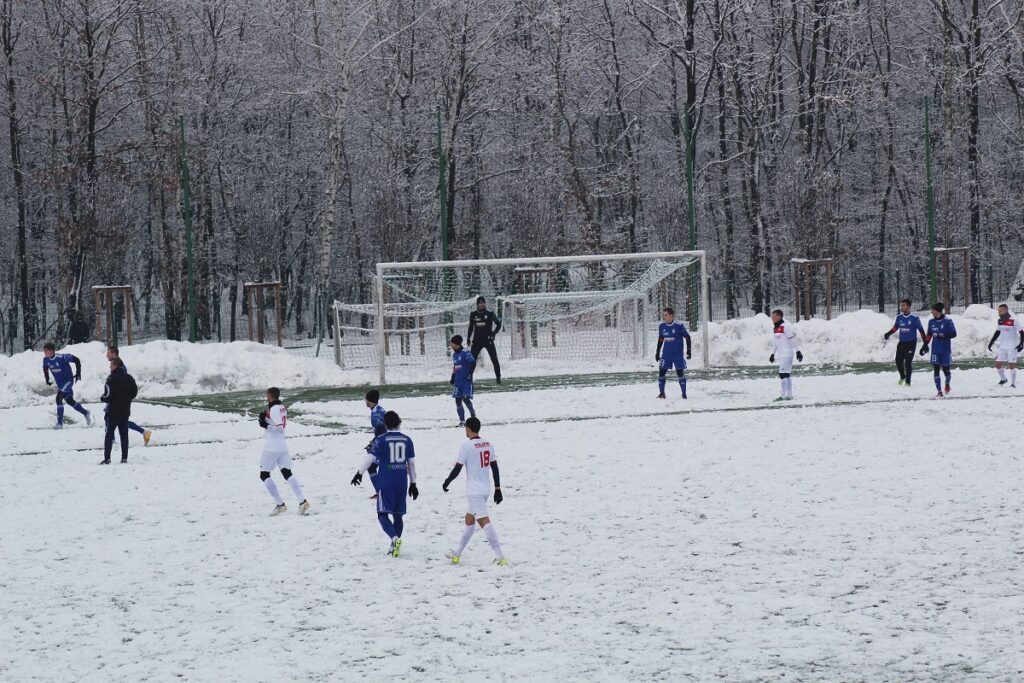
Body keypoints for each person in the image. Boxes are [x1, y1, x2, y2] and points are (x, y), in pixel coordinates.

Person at [351, 410, 419, 557]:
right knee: (398, 515)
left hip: (387, 482)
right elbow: (411, 464)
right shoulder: (407, 440)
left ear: (385, 424)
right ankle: (394, 545)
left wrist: (359, 473)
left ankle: (394, 539)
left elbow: (370, 458)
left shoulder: (381, 440)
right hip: (402, 482)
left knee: (382, 514)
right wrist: (413, 483)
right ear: (399, 422)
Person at [442, 417, 507, 566]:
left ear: (469, 429)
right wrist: (498, 488)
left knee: (484, 522)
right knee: (469, 519)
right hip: (485, 489)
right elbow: (495, 467)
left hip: (474, 492)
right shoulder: (488, 444)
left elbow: (458, 468)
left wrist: (447, 481)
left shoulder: (467, 445)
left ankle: (500, 556)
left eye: (466, 428)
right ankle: (457, 554)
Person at [258, 387, 310, 516]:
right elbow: (278, 420)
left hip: (272, 447)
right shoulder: (281, 407)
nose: (266, 397)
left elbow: (279, 428)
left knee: (264, 475)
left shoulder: (275, 409)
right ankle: (302, 501)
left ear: (270, 396)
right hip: (282, 446)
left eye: (267, 395)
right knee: (287, 473)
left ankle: (280, 504)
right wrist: (266, 418)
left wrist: (266, 425)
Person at [105, 346, 153, 445]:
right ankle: (143, 432)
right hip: (118, 398)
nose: (106, 355)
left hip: (118, 399)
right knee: (114, 418)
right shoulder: (116, 364)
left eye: (108, 353)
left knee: (115, 419)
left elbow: (122, 383)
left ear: (113, 353)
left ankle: (112, 440)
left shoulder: (119, 366)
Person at [42, 342, 92, 429]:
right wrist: (47, 379)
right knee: (70, 401)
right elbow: (45, 368)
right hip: (60, 384)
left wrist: (78, 373)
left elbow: (76, 360)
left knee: (58, 399)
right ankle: (86, 413)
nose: (45, 353)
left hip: (68, 381)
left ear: (52, 351)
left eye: (46, 351)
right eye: (44, 351)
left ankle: (59, 424)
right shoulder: (46, 360)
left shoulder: (62, 357)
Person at [99, 358, 138, 464]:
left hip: (113, 411)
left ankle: (107, 458)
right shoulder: (129, 378)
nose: (110, 367)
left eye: (111, 365)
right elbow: (134, 392)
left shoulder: (111, 378)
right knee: (124, 434)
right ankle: (124, 458)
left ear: (115, 365)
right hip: (125, 410)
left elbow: (108, 395)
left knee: (109, 434)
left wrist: (103, 398)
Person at [883, 299, 927, 386]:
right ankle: (903, 376)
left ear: (909, 306)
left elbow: (921, 331)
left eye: (903, 305)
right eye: (901, 305)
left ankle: (908, 382)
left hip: (911, 343)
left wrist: (925, 343)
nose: (901, 307)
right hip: (902, 343)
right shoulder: (899, 317)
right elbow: (895, 327)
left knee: (907, 362)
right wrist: (888, 333)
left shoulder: (914, 318)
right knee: (898, 361)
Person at [920, 302, 957, 397]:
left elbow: (953, 334)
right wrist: (924, 345)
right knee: (936, 369)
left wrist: (944, 336)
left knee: (946, 371)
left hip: (945, 350)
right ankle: (939, 391)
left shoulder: (948, 321)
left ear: (938, 311)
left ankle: (947, 383)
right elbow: (929, 335)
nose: (931, 312)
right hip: (935, 350)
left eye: (933, 310)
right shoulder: (931, 322)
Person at [655, 307, 692, 399]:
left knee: (680, 373)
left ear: (671, 315)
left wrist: (689, 350)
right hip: (666, 355)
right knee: (661, 373)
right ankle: (662, 393)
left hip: (677, 355)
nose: (664, 317)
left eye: (666, 315)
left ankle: (684, 394)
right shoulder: (662, 326)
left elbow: (687, 337)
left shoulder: (679, 326)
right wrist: (657, 352)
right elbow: (660, 339)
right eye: (663, 315)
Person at [987, 303, 1024, 387]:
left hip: (1012, 346)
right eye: (998, 311)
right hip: (1002, 346)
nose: (998, 312)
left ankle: (1013, 383)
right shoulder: (1000, 320)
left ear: (1005, 310)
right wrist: (991, 342)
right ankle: (1003, 379)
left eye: (1000, 310)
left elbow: (1022, 332)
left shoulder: (1014, 320)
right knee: (998, 363)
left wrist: (1021, 344)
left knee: (1011, 365)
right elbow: (998, 331)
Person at [467, 296, 502, 383]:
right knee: (472, 360)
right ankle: (468, 377)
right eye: (480, 303)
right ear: (477, 305)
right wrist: (468, 338)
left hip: (488, 340)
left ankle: (498, 377)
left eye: (483, 303)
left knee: (494, 358)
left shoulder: (490, 314)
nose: (482, 305)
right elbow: (471, 327)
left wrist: (493, 334)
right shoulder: (473, 314)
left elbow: (498, 324)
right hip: (477, 341)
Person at [770, 310, 803, 401]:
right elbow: (776, 343)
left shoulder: (785, 326)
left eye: (775, 316)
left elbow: (792, 339)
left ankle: (783, 396)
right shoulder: (775, 328)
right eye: (772, 317)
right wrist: (772, 354)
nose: (773, 318)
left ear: (780, 317)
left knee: (782, 374)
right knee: (787, 375)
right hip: (782, 355)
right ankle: (789, 395)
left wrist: (798, 351)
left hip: (787, 354)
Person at [449, 335, 476, 426]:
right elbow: (456, 367)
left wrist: (469, 374)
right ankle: (462, 421)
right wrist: (453, 376)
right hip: (458, 382)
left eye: (452, 343)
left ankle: (473, 415)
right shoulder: (454, 355)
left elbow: (473, 363)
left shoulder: (465, 353)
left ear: (456, 344)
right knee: (457, 400)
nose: (450, 345)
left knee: (466, 399)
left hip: (466, 381)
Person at [364, 389, 386, 496]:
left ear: (370, 400)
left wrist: (374, 442)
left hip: (383, 444)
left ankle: (380, 492)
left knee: (371, 467)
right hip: (386, 442)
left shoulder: (376, 413)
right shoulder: (379, 410)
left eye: (366, 399)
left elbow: (381, 429)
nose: (365, 401)